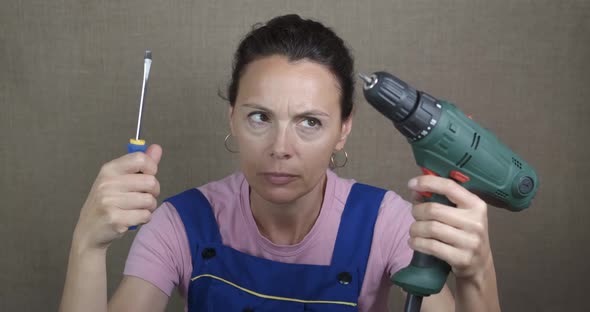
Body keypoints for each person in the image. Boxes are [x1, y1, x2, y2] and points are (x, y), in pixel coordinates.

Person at [60, 14, 500, 312]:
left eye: (310, 121)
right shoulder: (177, 224)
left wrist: (477, 272)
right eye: (259, 117)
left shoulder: (391, 225)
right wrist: (87, 246)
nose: (280, 147)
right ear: (231, 116)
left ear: (343, 128)